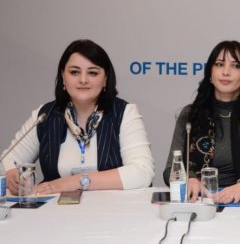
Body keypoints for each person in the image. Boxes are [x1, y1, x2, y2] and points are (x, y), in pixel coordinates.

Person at [0, 39, 155, 195]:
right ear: (63, 76)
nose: (83, 80)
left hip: (113, 209)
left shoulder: (124, 113)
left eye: (92, 73)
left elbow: (142, 172)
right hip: (54, 209)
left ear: (105, 79)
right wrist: (12, 175)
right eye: (74, 72)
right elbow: (6, 162)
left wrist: (74, 182)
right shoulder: (45, 115)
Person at [163, 41, 240, 204]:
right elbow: (170, 169)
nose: (226, 72)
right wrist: (189, 179)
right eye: (219, 64)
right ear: (210, 74)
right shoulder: (190, 115)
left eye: (235, 66)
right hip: (200, 201)